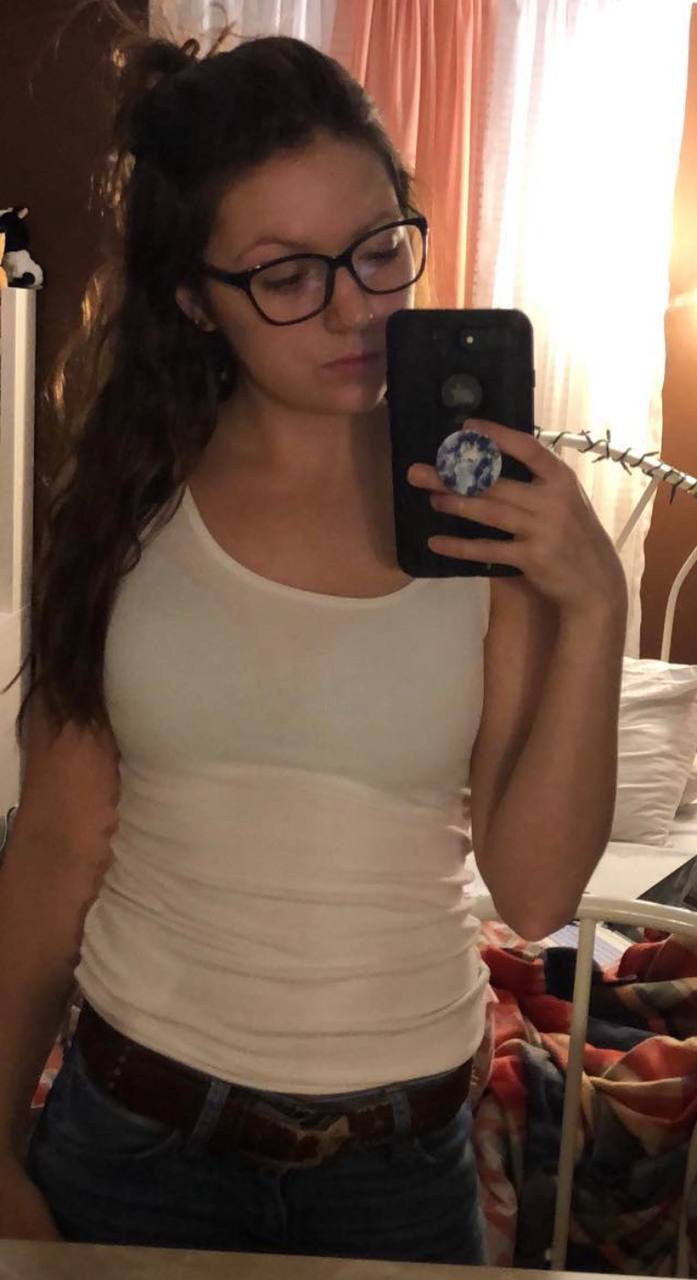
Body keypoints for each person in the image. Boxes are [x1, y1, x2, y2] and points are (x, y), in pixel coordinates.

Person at [0, 18, 628, 1265]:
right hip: (135, 1139)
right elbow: (58, 844)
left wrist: (594, 607)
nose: (355, 308)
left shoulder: (478, 507)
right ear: (194, 298)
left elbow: (535, 889)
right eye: (286, 274)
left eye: (378, 248)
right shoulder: (129, 504)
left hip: (399, 1168)